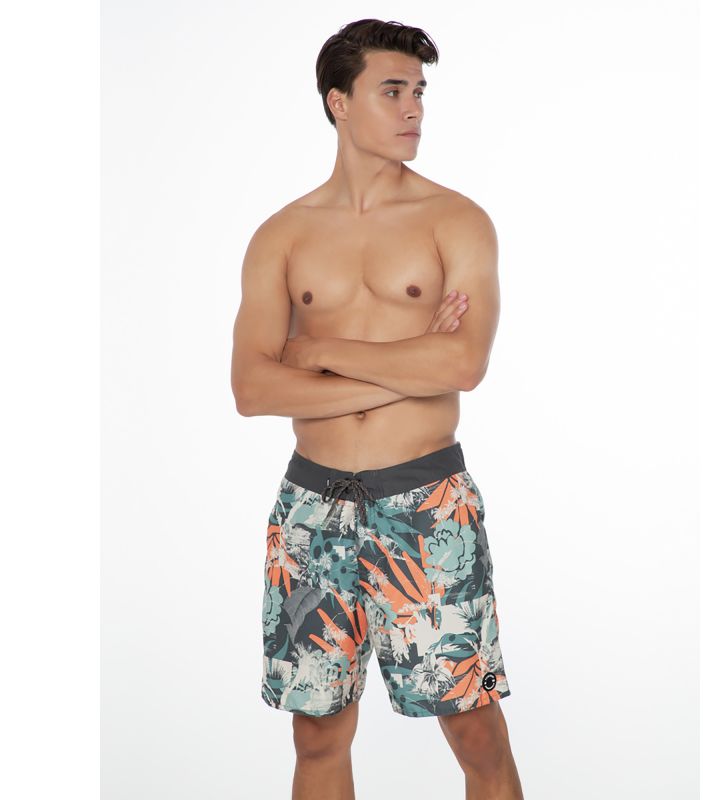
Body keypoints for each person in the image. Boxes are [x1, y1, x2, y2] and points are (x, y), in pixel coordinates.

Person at [231, 18, 524, 800]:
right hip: (311, 509)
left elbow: (462, 365)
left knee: (474, 729)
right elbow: (253, 389)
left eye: (419, 91)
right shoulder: (282, 236)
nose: (413, 108)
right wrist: (406, 367)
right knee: (318, 735)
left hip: (425, 503)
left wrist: (320, 351)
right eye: (392, 91)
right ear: (338, 101)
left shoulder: (455, 221)